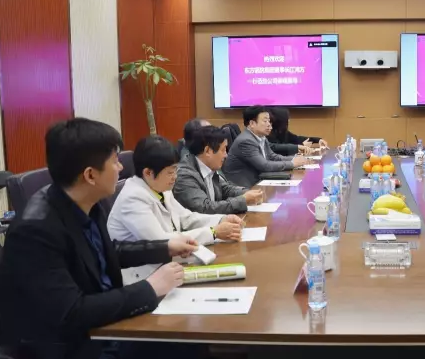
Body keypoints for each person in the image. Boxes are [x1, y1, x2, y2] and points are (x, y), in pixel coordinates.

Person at [0, 118, 204, 359]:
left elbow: (106, 252)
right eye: (115, 161)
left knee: (190, 337)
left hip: (104, 324)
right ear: (90, 175)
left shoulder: (85, 201)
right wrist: (149, 288)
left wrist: (165, 247)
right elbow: (71, 312)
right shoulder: (35, 231)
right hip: (71, 346)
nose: (121, 167)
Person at [108, 135, 243, 285]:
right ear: (148, 173)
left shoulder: (159, 187)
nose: (175, 177)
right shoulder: (132, 198)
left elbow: (185, 217)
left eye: (175, 170)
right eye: (170, 172)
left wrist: (221, 219)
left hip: (169, 265)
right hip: (143, 277)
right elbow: (162, 243)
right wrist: (213, 232)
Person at [173, 125, 264, 214]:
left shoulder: (209, 166)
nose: (226, 155)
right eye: (223, 150)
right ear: (207, 151)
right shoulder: (185, 175)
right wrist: (243, 200)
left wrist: (248, 193)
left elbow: (225, 189)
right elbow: (204, 208)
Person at [222, 106, 310, 187]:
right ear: (252, 123)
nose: (269, 125)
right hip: (244, 187)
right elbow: (264, 165)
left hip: (259, 180)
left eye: (269, 121)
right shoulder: (246, 141)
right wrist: (292, 164)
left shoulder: (260, 137)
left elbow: (272, 156)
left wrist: (294, 159)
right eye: (265, 121)